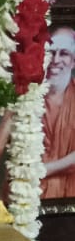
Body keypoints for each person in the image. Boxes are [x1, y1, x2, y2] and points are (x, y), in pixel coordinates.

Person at [42, 26, 75, 199]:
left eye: (64, 53)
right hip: (27, 195)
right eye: (51, 52)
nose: (55, 60)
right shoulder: (28, 96)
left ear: (73, 61)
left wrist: (43, 170)